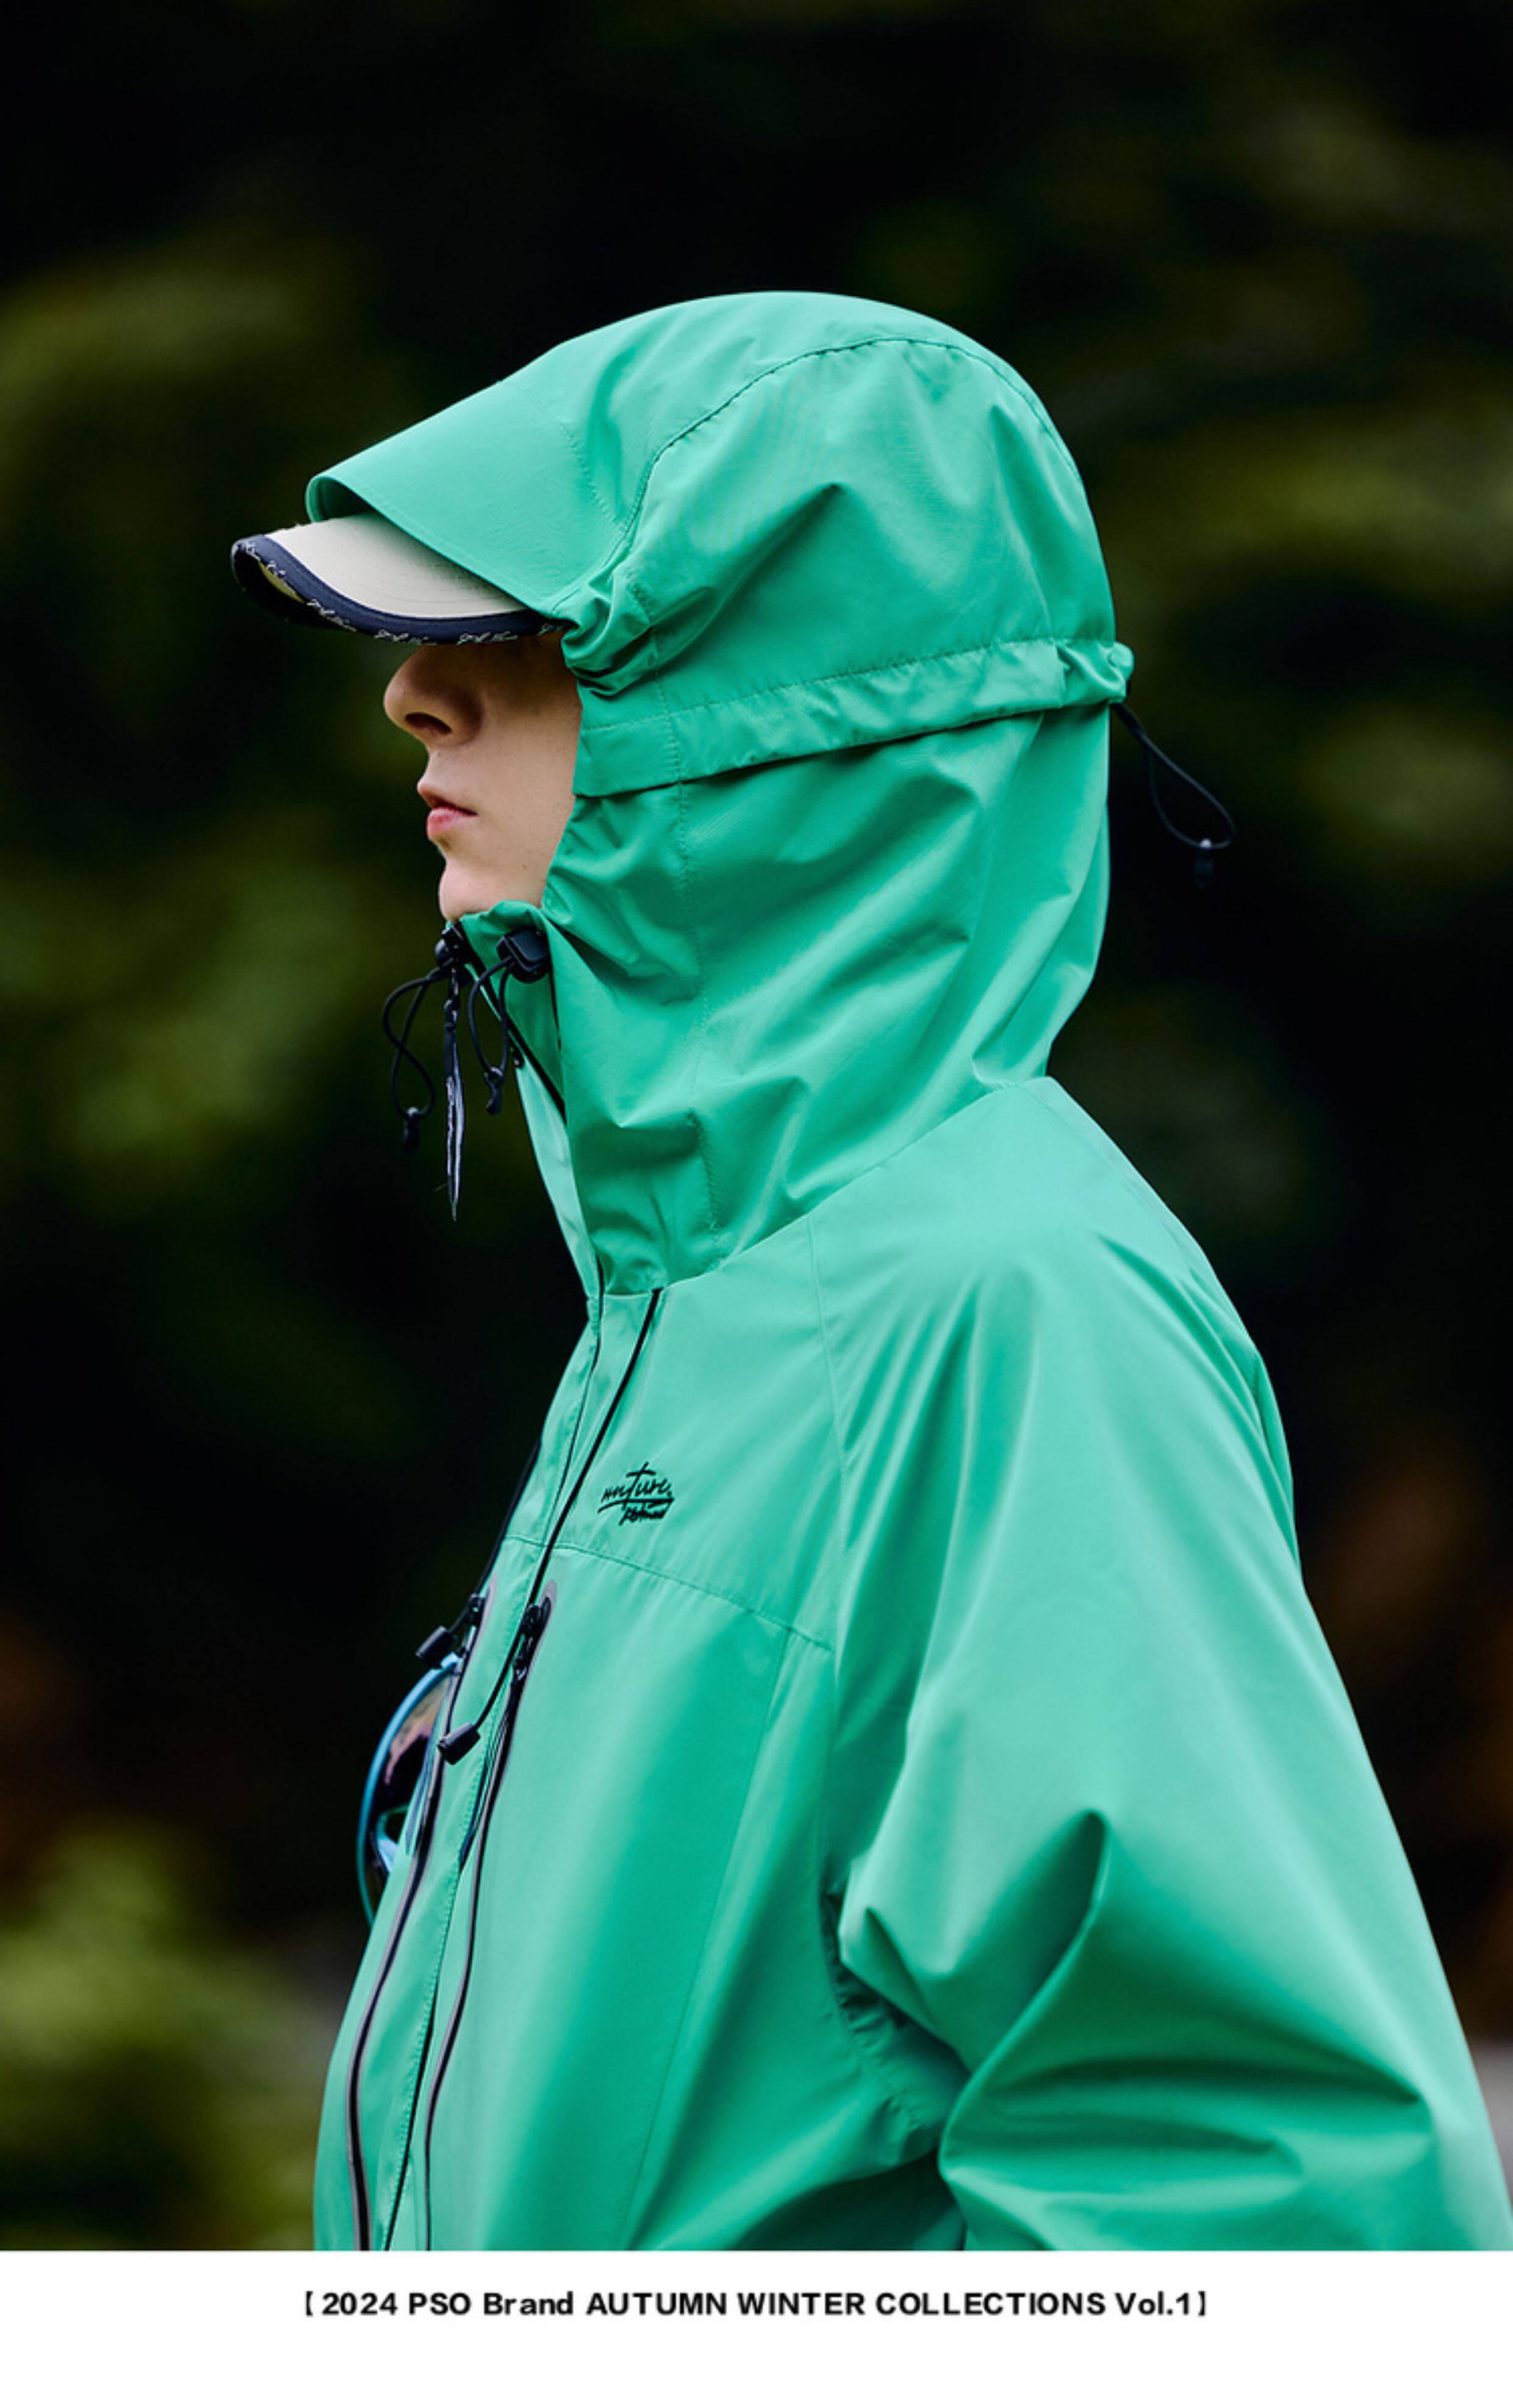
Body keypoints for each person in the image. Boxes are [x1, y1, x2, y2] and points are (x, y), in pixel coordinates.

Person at [231, 290, 1513, 2251]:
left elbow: (1260, 2216)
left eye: (521, 637)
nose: (414, 694)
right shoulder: (698, 1286)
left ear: (793, 722)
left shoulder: (1006, 1304)